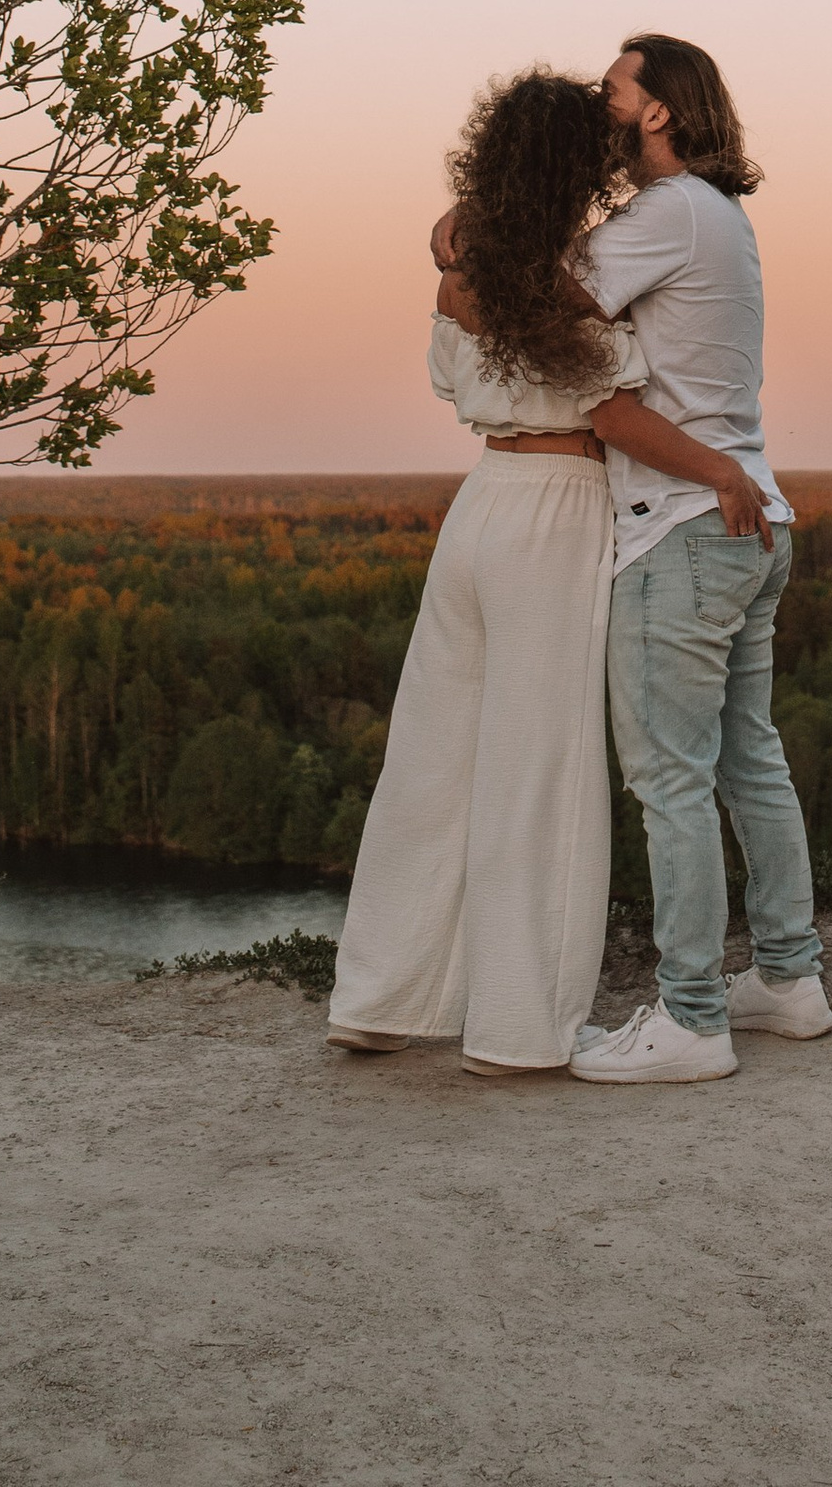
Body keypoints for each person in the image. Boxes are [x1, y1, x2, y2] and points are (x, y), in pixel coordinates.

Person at [325, 69, 759, 1075]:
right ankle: (520, 1027)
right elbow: (610, 411)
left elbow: (455, 359)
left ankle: (375, 997)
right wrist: (719, 468)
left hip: (478, 504)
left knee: (432, 759)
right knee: (541, 768)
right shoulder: (551, 280)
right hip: (555, 513)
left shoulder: (467, 273)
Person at [563, 32, 832, 1087]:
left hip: (679, 527)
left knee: (668, 778)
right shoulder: (719, 215)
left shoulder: (668, 210)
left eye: (613, 89)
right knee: (745, 759)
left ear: (658, 110)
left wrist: (461, 246)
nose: (603, 105)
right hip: (754, 520)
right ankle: (788, 978)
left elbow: (549, 302)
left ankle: (689, 1018)